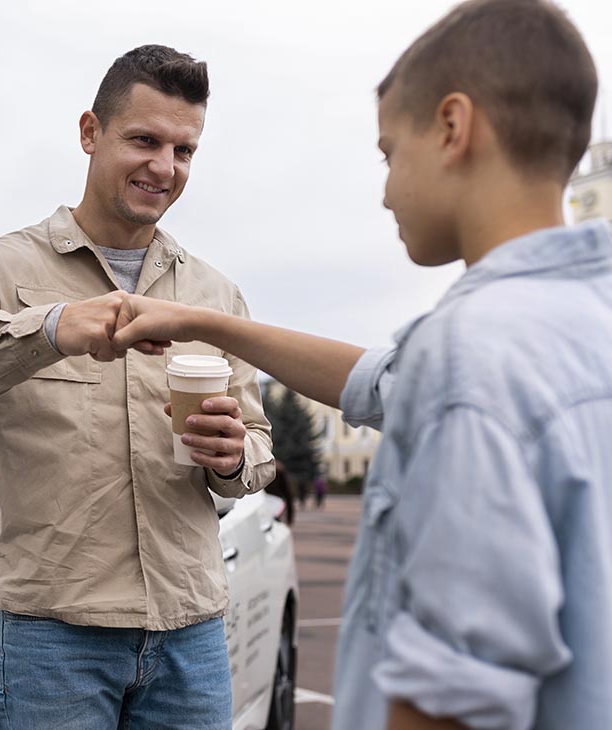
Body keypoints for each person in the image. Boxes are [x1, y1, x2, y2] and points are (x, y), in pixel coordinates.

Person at [110, 2, 609, 729]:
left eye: (388, 152)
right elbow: (381, 380)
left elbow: (452, 700)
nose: (383, 189)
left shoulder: (470, 355)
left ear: (452, 128)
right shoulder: (573, 325)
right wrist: (197, 319)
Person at [0, 45, 275, 729]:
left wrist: (233, 456)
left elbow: (258, 451)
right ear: (90, 133)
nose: (164, 166)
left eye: (183, 149)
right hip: (54, 638)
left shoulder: (215, 295)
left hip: (190, 630)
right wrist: (51, 328)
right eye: (144, 140)